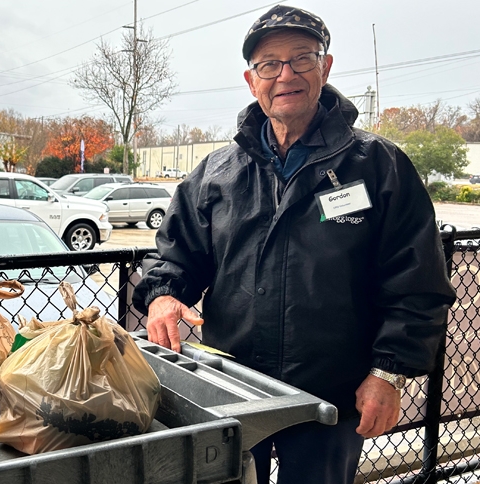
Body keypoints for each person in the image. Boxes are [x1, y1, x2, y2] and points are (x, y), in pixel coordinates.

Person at [132, 5, 456, 484]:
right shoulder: (218, 172)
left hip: (333, 394)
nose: (286, 74)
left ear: (325, 67)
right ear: (251, 80)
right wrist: (162, 295)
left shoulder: (378, 166)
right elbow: (176, 254)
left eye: (302, 59)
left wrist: (388, 372)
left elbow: (417, 281)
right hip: (233, 390)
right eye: (269, 64)